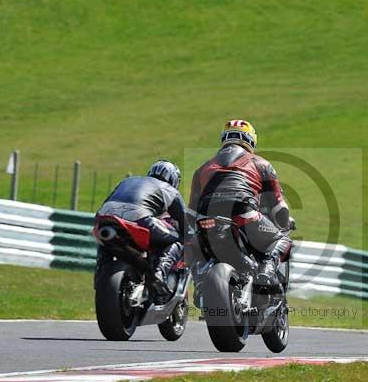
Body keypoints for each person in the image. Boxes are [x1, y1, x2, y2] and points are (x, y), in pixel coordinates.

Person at [189, 119, 292, 285]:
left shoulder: (202, 168)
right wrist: (284, 223)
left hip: (205, 220)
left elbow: (191, 213)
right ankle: (266, 269)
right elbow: (279, 208)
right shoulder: (261, 163)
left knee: (194, 247)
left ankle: (200, 281)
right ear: (251, 140)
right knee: (283, 241)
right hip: (244, 215)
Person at [96, 160, 187, 295]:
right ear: (174, 179)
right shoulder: (169, 189)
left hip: (104, 217)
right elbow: (183, 220)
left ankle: (101, 271)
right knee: (177, 239)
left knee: (106, 241)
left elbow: (107, 203)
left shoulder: (126, 181)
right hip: (139, 218)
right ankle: (159, 273)